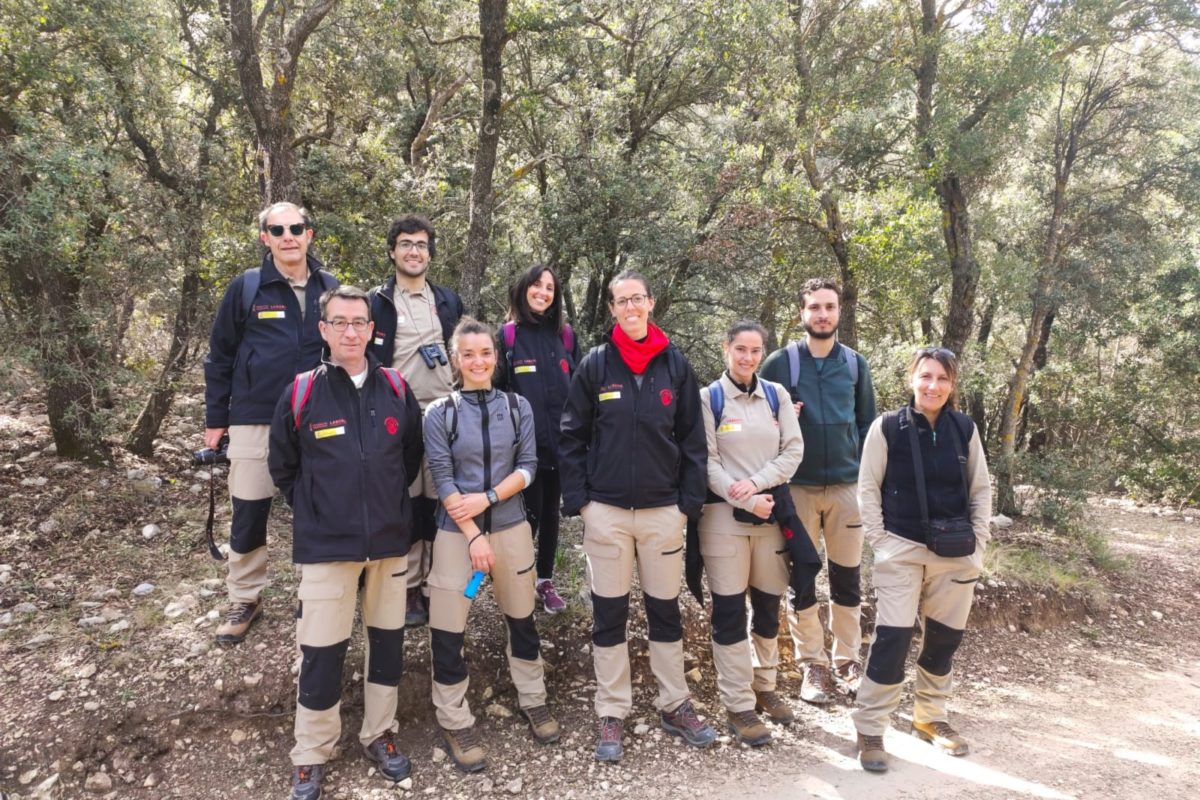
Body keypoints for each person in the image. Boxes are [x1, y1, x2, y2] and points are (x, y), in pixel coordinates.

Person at [268, 286, 425, 800]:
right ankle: (311, 754)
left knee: (387, 646)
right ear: (324, 330)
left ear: (372, 329)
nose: (352, 332)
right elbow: (283, 468)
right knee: (320, 652)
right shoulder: (301, 392)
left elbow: (409, 459)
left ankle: (379, 733)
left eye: (360, 322)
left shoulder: (397, 389)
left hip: (387, 546)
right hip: (326, 548)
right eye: (340, 322)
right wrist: (318, 508)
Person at [559, 270, 714, 762]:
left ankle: (675, 703)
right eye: (621, 301)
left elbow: (693, 440)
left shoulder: (676, 366)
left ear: (650, 303)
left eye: (638, 299)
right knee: (610, 614)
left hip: (662, 513)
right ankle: (612, 710)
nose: (630, 307)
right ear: (611, 309)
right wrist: (583, 501)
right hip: (606, 512)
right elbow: (570, 436)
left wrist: (687, 505)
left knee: (664, 611)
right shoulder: (596, 365)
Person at [423, 318, 560, 773]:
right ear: (455, 359)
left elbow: (528, 466)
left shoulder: (517, 406)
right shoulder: (439, 412)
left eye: (485, 353)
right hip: (454, 535)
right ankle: (454, 718)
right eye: (468, 354)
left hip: (511, 526)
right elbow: (442, 478)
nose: (478, 361)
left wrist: (488, 499)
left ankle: (534, 699)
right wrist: (474, 534)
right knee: (447, 627)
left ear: (495, 358)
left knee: (521, 618)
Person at [204, 202, 338, 645]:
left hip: (316, 417)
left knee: (318, 506)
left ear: (309, 233)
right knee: (249, 508)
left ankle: (317, 592)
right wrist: (215, 422)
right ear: (265, 238)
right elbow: (220, 356)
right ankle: (245, 596)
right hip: (254, 417)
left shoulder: (330, 287)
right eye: (277, 229)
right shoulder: (247, 287)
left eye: (295, 228)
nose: (288, 236)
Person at [852, 347, 992, 773]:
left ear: (953, 385)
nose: (933, 386)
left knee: (943, 639)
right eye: (926, 376)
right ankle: (871, 726)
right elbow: (867, 488)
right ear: (912, 378)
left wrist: (979, 545)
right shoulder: (887, 427)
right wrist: (882, 542)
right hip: (902, 548)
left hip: (956, 552)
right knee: (892, 638)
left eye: (942, 379)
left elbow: (981, 489)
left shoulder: (964, 429)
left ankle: (930, 716)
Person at [760, 277, 876, 703]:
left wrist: (866, 477)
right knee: (803, 578)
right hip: (798, 489)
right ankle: (813, 666)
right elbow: (755, 418)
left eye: (829, 307)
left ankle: (847, 660)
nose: (822, 314)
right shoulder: (780, 364)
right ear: (802, 313)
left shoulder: (854, 365)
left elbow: (868, 425)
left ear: (839, 311)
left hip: (847, 489)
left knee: (848, 580)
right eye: (814, 308)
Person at [697, 320, 805, 745]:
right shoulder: (710, 398)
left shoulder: (776, 396)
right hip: (723, 520)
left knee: (766, 607)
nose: (747, 357)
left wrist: (758, 487)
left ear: (763, 352)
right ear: (726, 349)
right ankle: (738, 703)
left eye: (755, 350)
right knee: (728, 612)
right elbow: (705, 462)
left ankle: (765, 687)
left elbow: (794, 451)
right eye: (740, 349)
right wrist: (743, 498)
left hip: (771, 517)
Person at [367, 214, 465, 628]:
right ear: (392, 250)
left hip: (443, 416)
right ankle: (405, 586)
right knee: (403, 503)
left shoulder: (446, 300)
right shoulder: (378, 302)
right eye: (406, 244)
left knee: (438, 503)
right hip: (398, 418)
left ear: (430, 252)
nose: (414, 251)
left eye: (421, 245)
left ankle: (432, 584)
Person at [495, 264, 582, 614]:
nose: (543, 292)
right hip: (522, 451)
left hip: (559, 448)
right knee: (523, 517)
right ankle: (515, 580)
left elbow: (577, 392)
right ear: (523, 289)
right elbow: (497, 391)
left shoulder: (566, 336)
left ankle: (544, 582)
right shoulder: (508, 337)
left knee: (549, 516)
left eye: (549, 288)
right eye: (536, 285)